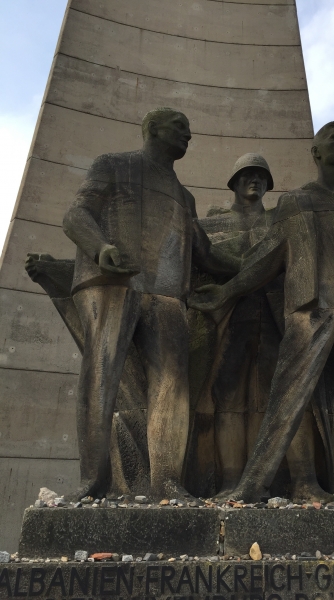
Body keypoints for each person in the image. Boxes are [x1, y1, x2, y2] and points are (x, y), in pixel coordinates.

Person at [189, 121, 334, 503]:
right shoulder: (296, 203)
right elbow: (265, 260)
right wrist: (226, 292)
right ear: (316, 151)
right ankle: (253, 483)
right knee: (288, 394)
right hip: (311, 309)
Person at [62, 107, 239, 501]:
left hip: (167, 296)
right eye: (180, 127)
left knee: (172, 385)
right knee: (101, 375)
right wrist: (100, 248)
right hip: (113, 283)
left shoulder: (184, 196)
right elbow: (76, 215)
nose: (188, 135)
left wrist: (258, 264)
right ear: (152, 129)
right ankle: (93, 482)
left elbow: (206, 254)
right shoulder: (113, 164)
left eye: (189, 130)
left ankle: (166, 482)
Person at [189, 153, 334, 501]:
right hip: (230, 318)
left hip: (277, 319)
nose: (255, 181)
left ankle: (304, 482)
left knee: (292, 395)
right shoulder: (213, 223)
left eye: (261, 176)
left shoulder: (281, 219)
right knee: (227, 397)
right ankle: (229, 483)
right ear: (234, 181)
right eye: (247, 175)